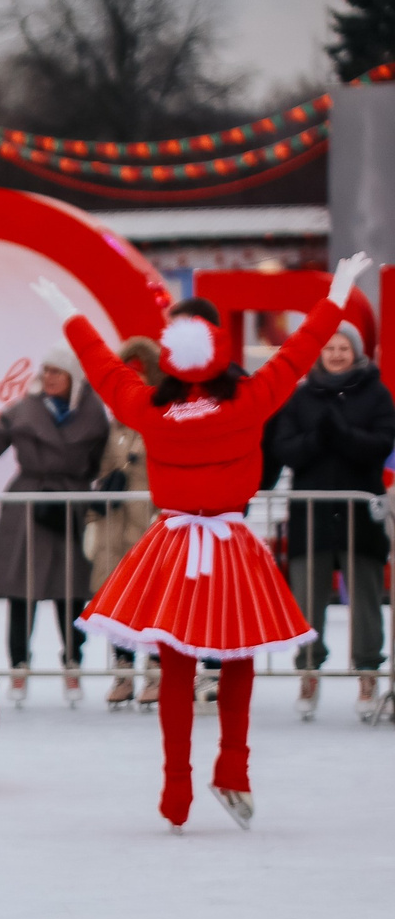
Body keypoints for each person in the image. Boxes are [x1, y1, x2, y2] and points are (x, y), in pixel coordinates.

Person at [37, 252, 371, 829]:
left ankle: (176, 789)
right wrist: (336, 294)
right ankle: (233, 770)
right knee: (238, 655)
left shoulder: (151, 408)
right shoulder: (247, 401)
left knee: (176, 667)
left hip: (171, 543)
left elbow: (103, 369)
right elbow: (297, 354)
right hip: (230, 542)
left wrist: (71, 315)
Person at [264, 320, 393, 720]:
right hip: (312, 515)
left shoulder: (377, 394)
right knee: (306, 598)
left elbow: (381, 445)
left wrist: (343, 434)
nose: (336, 354)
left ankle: (367, 672)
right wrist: (318, 437)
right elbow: (284, 447)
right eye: (330, 347)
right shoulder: (301, 398)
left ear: (356, 352)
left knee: (366, 598)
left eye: (344, 347)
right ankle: (308, 671)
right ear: (319, 352)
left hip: (361, 514)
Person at [0, 346, 108, 705]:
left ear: (73, 377)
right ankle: (18, 665)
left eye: (56, 371)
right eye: (45, 370)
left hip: (70, 504)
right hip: (27, 504)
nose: (48, 377)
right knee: (21, 590)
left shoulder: (93, 413)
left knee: (70, 592)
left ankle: (73, 664)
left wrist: (107, 483)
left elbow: (100, 461)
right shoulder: (24, 408)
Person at [91, 337, 163, 709]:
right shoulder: (115, 425)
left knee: (154, 599)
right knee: (119, 600)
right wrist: (102, 494)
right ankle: (122, 669)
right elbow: (104, 465)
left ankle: (154, 669)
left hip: (150, 521)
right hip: (116, 525)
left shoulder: (161, 418)